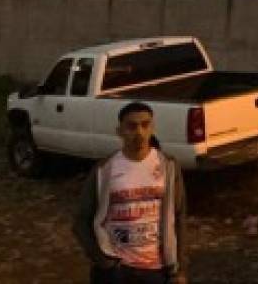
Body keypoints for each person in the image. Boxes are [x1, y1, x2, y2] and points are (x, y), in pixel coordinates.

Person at [74, 102, 187, 284]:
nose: (139, 132)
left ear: (152, 128)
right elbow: (81, 220)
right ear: (119, 131)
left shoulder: (168, 167)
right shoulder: (105, 169)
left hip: (156, 271)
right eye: (132, 126)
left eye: (145, 125)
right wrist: (102, 260)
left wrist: (179, 269)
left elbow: (179, 217)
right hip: (116, 271)